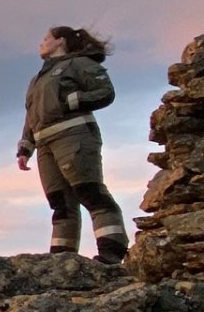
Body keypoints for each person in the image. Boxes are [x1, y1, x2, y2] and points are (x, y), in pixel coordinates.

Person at [16, 26, 130, 263]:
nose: (41, 43)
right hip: (45, 144)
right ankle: (61, 261)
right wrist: (25, 147)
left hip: (74, 134)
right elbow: (31, 115)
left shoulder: (79, 64)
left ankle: (112, 252)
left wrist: (72, 101)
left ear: (60, 41)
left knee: (90, 192)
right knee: (60, 204)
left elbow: (105, 91)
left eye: (45, 38)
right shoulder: (36, 80)